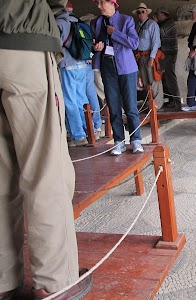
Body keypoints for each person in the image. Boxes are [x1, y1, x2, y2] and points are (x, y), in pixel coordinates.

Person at [0, 1, 93, 299]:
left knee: (0, 176)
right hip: (21, 37)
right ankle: (55, 282)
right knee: (46, 168)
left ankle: (4, 281)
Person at [91, 0, 144, 155]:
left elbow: (134, 43)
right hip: (107, 67)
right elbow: (93, 44)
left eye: (102, 3)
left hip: (127, 68)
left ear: (112, 3)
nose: (99, 6)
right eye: (98, 3)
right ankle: (119, 142)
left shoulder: (126, 20)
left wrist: (114, 33)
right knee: (113, 107)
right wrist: (96, 47)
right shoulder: (96, 23)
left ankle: (136, 141)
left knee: (130, 107)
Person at [56, 3, 90, 147]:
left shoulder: (59, 24)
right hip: (82, 65)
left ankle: (78, 136)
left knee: (70, 102)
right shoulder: (76, 21)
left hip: (67, 66)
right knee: (81, 99)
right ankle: (88, 130)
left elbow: (56, 46)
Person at [133, 3, 164, 110]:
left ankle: (157, 103)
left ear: (146, 12)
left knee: (154, 79)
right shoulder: (138, 26)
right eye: (139, 12)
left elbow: (156, 42)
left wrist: (152, 57)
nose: (141, 14)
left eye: (143, 11)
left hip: (150, 54)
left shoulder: (152, 24)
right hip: (141, 55)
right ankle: (150, 102)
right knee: (145, 80)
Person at [155, 7, 182, 110]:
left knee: (170, 77)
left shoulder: (170, 23)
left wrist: (155, 23)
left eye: (158, 14)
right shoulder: (164, 23)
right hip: (165, 54)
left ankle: (176, 101)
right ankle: (171, 100)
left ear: (163, 14)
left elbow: (161, 32)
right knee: (166, 78)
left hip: (169, 54)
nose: (157, 16)